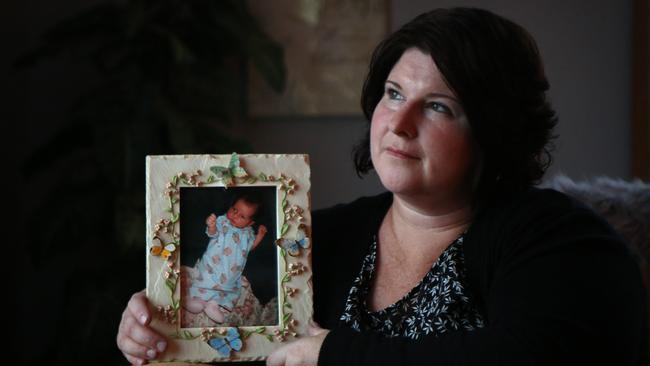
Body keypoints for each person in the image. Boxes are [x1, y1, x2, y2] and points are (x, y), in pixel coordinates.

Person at [116, 7, 647, 366]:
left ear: (494, 131)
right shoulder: (312, 238)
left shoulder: (563, 242)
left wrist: (333, 355)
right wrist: (161, 330)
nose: (400, 121)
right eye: (394, 94)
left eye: (438, 106)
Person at [183, 194, 268, 324]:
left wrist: (260, 236)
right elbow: (213, 233)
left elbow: (250, 247)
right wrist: (211, 225)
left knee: (229, 288)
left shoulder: (248, 233)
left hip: (232, 272)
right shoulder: (223, 221)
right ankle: (197, 300)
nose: (235, 215)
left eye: (242, 216)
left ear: (250, 223)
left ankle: (213, 305)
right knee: (205, 280)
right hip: (212, 264)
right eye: (234, 210)